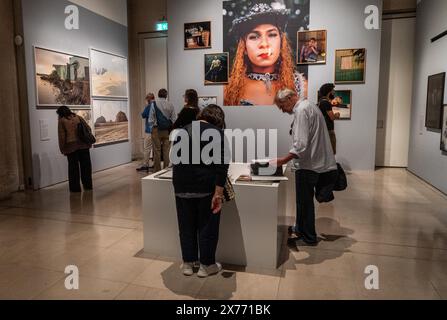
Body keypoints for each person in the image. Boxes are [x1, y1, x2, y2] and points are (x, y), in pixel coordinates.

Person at [272, 89, 337, 246]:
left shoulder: (301, 110)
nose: (282, 110)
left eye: (282, 106)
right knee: (302, 202)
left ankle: (308, 237)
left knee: (305, 203)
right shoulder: (309, 106)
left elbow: (300, 145)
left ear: (289, 98)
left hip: (308, 165)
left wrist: (282, 160)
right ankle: (300, 229)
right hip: (313, 163)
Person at [172, 105, 230, 278]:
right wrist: (218, 193)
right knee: (207, 227)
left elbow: (175, 159)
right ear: (218, 118)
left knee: (186, 226)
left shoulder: (182, 131)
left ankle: (188, 263)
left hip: (181, 186)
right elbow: (221, 166)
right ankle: (206, 265)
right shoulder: (217, 133)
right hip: (205, 187)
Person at [224, 3, 307, 106]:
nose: (264, 44)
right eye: (254, 37)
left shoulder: (301, 86)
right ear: (244, 47)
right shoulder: (228, 89)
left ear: (281, 43)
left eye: (272, 35)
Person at [57, 106, 93, 193]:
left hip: (71, 147)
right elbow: (88, 128)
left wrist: (62, 149)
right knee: (86, 167)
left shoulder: (62, 121)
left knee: (73, 169)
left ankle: (75, 189)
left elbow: (62, 137)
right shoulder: (78, 117)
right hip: (84, 146)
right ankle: (88, 185)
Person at [150, 89, 177, 172]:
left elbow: (151, 118)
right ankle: (166, 170)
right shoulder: (170, 104)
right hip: (167, 130)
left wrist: (152, 127)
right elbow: (174, 119)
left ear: (158, 95)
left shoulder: (153, 104)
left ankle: (157, 170)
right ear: (166, 95)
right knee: (166, 150)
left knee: (157, 150)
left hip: (156, 129)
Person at [318, 83, 340, 154]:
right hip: (328, 130)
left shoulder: (321, 102)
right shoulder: (326, 103)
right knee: (331, 151)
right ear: (329, 92)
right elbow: (332, 117)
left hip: (324, 130)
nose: (334, 92)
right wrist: (337, 115)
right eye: (333, 90)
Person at [137, 93, 155, 172]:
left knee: (147, 148)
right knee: (156, 148)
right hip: (156, 130)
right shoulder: (157, 105)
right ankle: (155, 163)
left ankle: (145, 164)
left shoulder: (149, 106)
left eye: (146, 99)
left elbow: (143, 115)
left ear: (148, 99)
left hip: (149, 130)